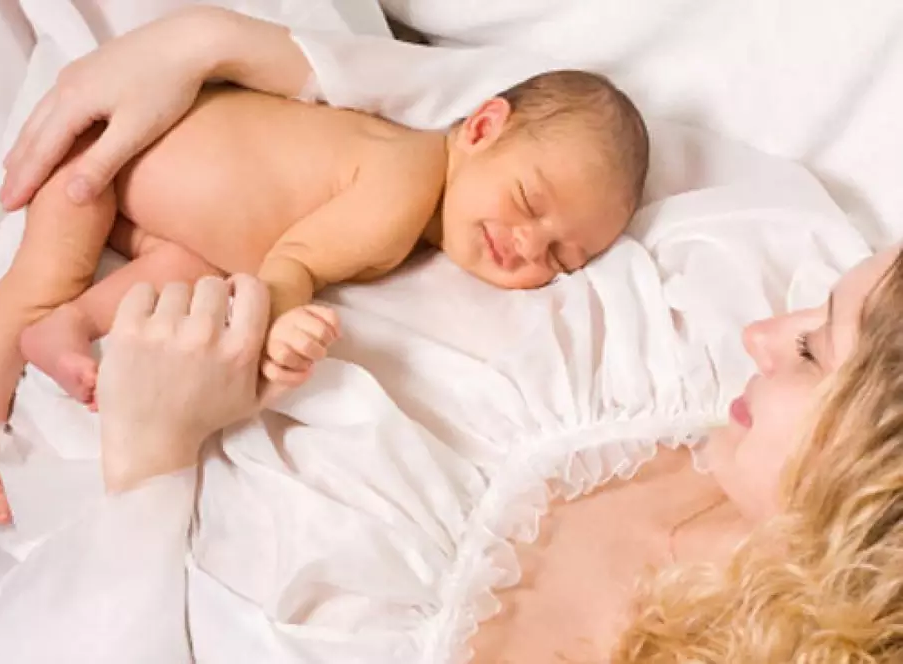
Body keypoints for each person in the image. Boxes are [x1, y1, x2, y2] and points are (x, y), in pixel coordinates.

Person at [0, 8, 649, 526]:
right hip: (107, 163)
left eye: (561, 257)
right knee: (33, 284)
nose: (527, 244)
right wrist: (279, 326)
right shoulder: (405, 183)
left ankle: (67, 325)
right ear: (482, 129)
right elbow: (294, 262)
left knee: (187, 273)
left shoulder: (415, 203)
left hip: (177, 225)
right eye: (528, 201)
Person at [83, 243, 903, 662]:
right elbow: (518, 129)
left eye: (812, 352)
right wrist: (262, 54)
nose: (760, 332)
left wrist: (146, 456)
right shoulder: (699, 297)